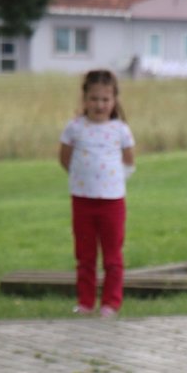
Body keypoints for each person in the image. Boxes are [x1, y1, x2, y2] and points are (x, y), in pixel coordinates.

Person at [58, 69, 136, 317]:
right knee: (85, 254)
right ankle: (85, 302)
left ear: (114, 100)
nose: (99, 105)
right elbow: (65, 158)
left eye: (105, 99)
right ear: (84, 99)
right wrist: (84, 179)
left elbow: (129, 162)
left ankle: (111, 303)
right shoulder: (74, 128)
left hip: (112, 202)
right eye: (94, 99)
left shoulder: (120, 130)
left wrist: (110, 182)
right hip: (82, 200)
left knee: (113, 256)